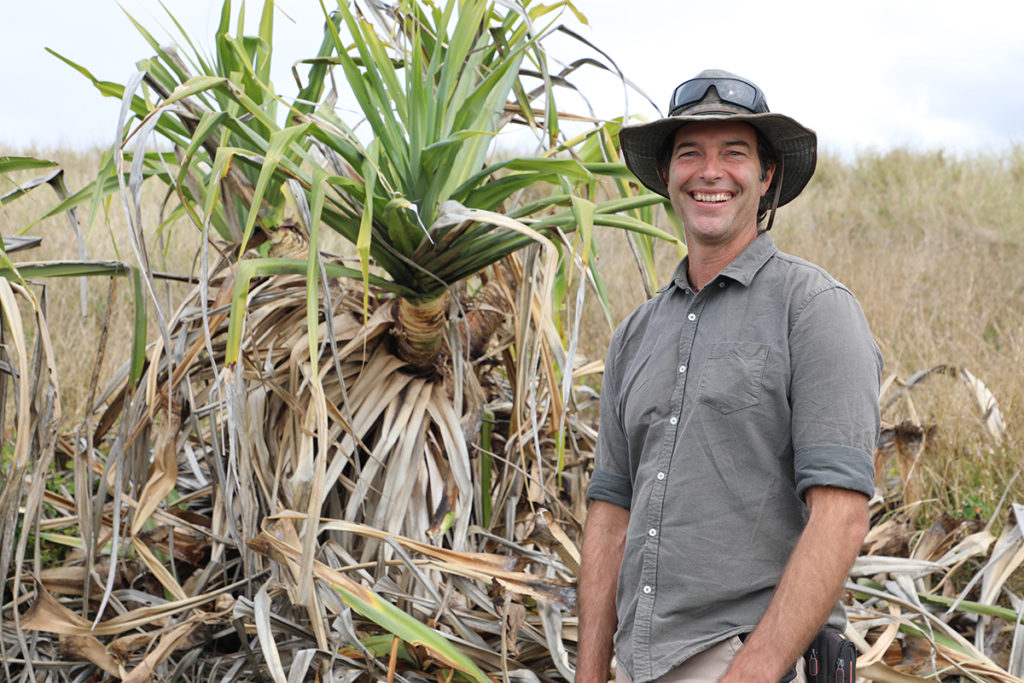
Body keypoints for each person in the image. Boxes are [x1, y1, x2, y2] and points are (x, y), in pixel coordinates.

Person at [576, 69, 882, 683]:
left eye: (734, 153)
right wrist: (589, 673)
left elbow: (842, 514)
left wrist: (751, 672)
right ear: (666, 176)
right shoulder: (635, 334)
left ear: (766, 177)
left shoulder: (815, 309)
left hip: (744, 659)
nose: (710, 171)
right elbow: (610, 518)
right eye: (690, 153)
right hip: (640, 664)